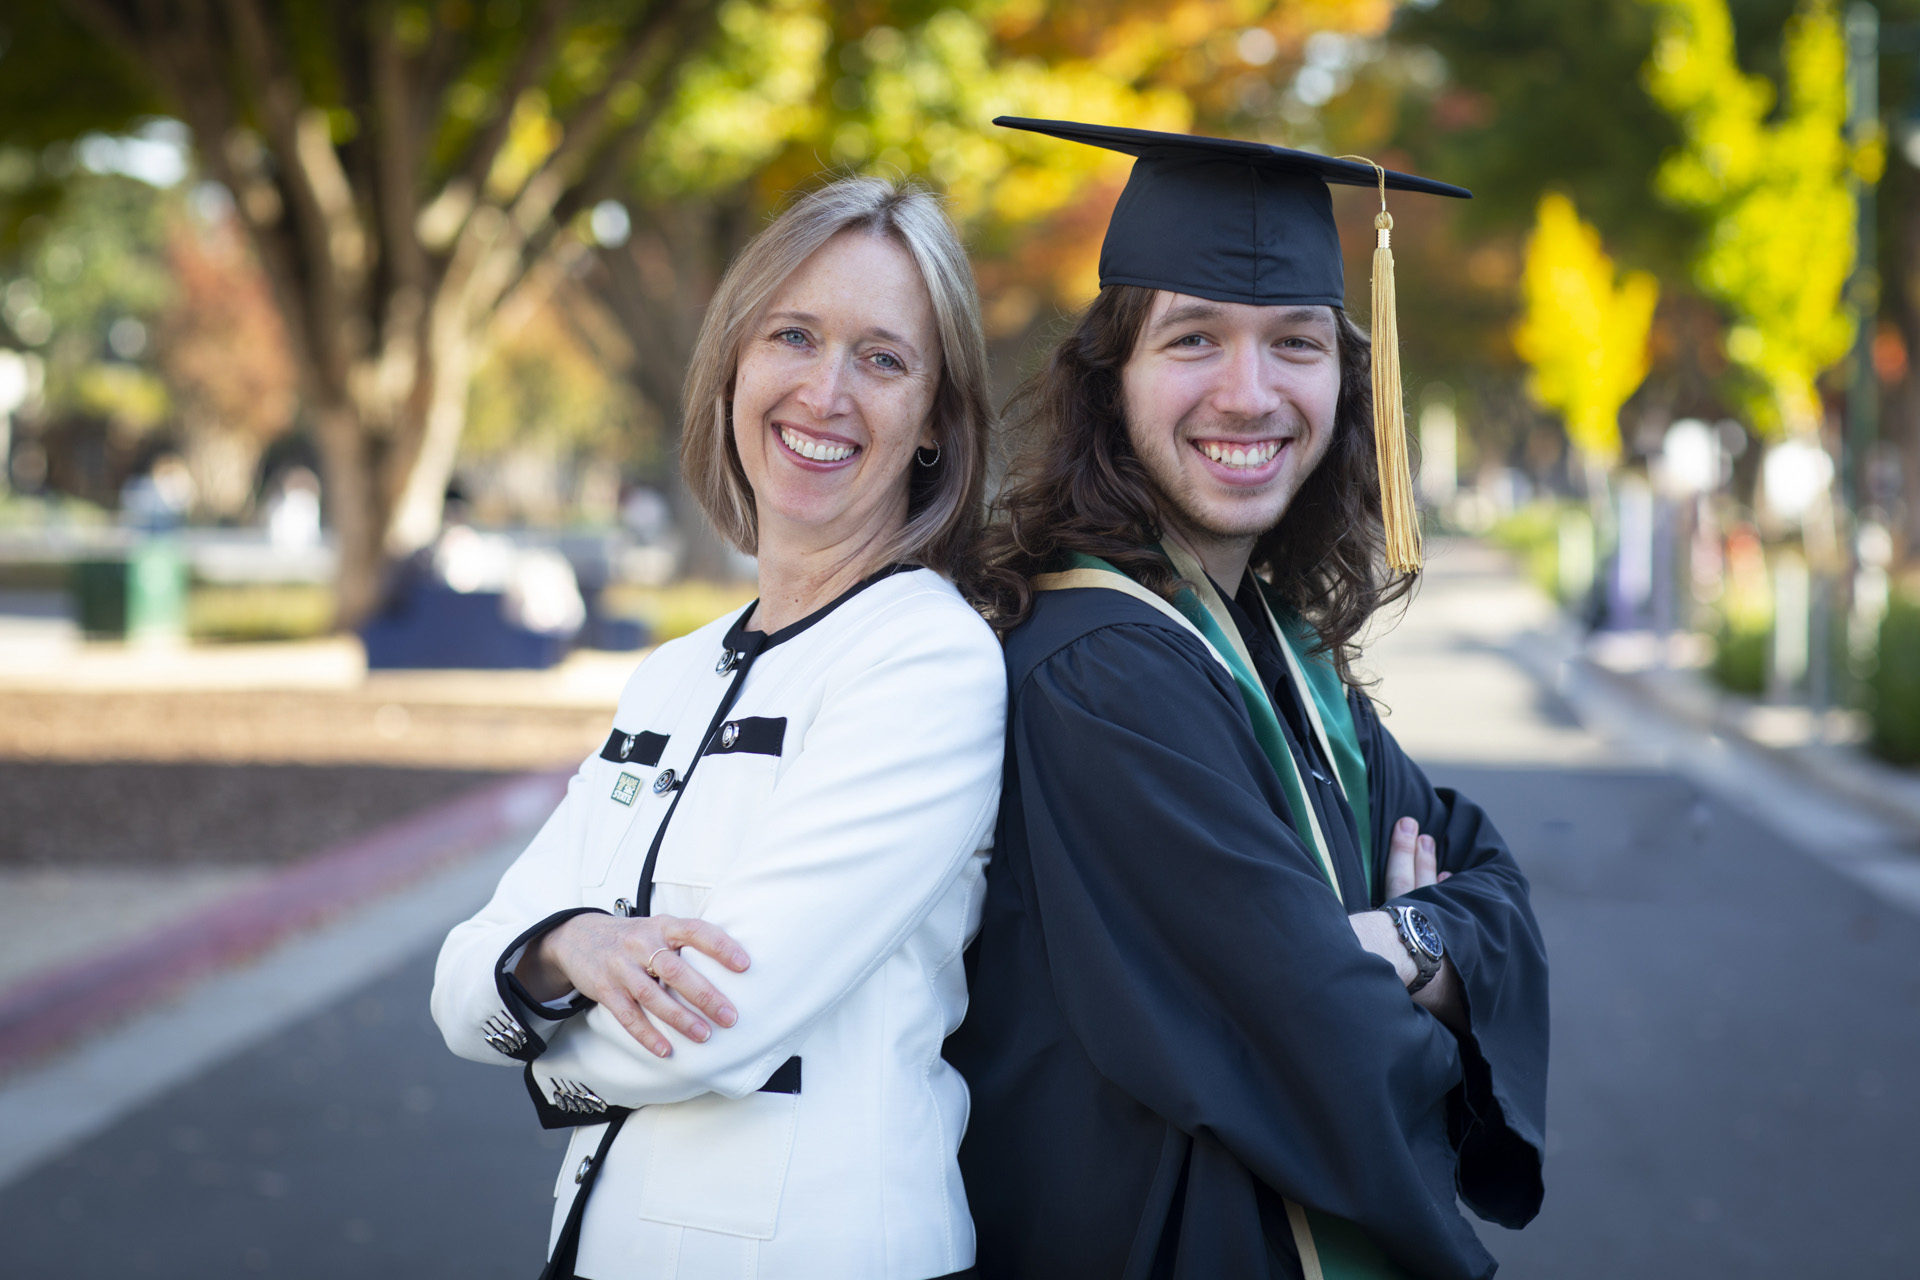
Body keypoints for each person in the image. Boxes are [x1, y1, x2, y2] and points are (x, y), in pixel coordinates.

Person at [946, 119, 1549, 1280]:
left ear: (1346, 376)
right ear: (1108, 373)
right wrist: (1419, 973)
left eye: (1296, 343)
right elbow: (1316, 1038)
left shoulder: (1276, 651)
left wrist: (1401, 939)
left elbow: (1497, 890)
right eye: (1193, 338)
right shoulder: (1099, 672)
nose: (1249, 390)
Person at [432, 176, 1005, 1280]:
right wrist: (562, 946)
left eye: (883, 358)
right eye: (793, 334)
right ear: (735, 362)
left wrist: (542, 1044)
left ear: (936, 417)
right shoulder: (671, 674)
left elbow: (719, 1020)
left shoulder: (928, 663)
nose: (824, 391)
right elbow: (462, 972)